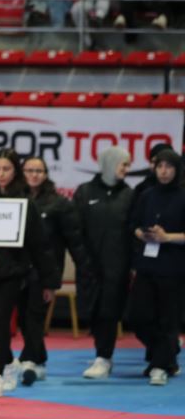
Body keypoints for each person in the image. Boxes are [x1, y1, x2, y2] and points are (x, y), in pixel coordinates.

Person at [0, 150, 59, 398]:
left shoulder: (25, 202)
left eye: (6, 169)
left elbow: (40, 245)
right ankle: (9, 362)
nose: (1, 174)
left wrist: (49, 281)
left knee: (1, 319)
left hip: (14, 272)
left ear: (15, 171)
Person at [20, 156, 93, 384]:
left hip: (44, 272)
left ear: (45, 174)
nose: (34, 175)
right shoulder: (16, 199)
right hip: (17, 270)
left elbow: (75, 242)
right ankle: (35, 357)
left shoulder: (60, 204)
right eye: (30, 170)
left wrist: (85, 269)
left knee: (34, 316)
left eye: (39, 171)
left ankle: (32, 360)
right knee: (23, 318)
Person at [128, 148, 185, 385]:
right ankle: (169, 351)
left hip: (174, 267)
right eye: (160, 166)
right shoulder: (146, 195)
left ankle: (161, 366)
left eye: (169, 167)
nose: (164, 171)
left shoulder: (183, 196)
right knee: (138, 317)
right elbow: (134, 224)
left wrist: (167, 237)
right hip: (147, 265)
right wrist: (143, 234)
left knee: (168, 320)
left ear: (177, 170)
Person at [76, 146, 133, 379]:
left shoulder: (129, 195)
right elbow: (75, 230)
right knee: (92, 311)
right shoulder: (85, 192)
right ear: (110, 164)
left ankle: (104, 357)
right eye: (124, 164)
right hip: (89, 266)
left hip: (117, 268)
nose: (127, 169)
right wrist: (83, 260)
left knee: (109, 312)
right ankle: (101, 353)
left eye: (128, 165)